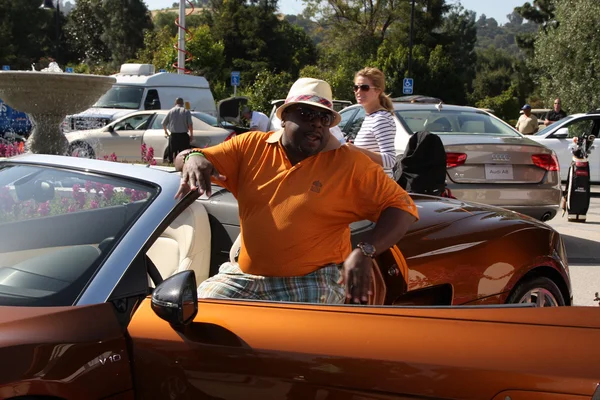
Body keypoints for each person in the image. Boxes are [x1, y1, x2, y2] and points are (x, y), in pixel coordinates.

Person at [175, 77, 419, 304]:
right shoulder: (251, 146)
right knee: (196, 313)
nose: (316, 123)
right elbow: (186, 157)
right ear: (284, 116)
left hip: (313, 279)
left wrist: (366, 251)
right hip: (245, 275)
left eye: (324, 118)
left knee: (294, 339)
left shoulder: (350, 164)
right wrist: (193, 157)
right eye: (306, 113)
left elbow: (402, 206)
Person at [350, 67, 397, 178]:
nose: (358, 92)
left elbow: (390, 160)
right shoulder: (370, 117)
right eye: (356, 87)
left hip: (379, 190)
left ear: (378, 91)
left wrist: (356, 150)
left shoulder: (381, 119)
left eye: (364, 88)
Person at [162, 97, 193, 163]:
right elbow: (190, 125)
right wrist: (191, 135)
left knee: (172, 152)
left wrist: (166, 132)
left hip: (173, 136)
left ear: (175, 103)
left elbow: (164, 123)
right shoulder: (186, 111)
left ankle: (171, 163)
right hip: (183, 136)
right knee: (184, 154)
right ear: (183, 103)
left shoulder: (171, 111)